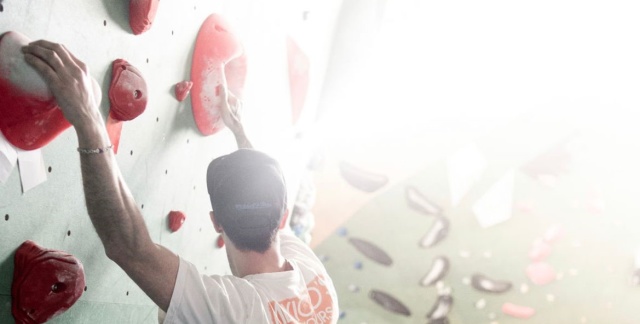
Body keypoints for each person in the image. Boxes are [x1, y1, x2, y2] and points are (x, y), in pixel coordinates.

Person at [21, 40, 339, 323]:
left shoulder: (242, 311)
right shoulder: (316, 285)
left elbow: (128, 246)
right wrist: (239, 131)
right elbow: (262, 197)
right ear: (281, 217)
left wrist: (88, 117)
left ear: (215, 222)